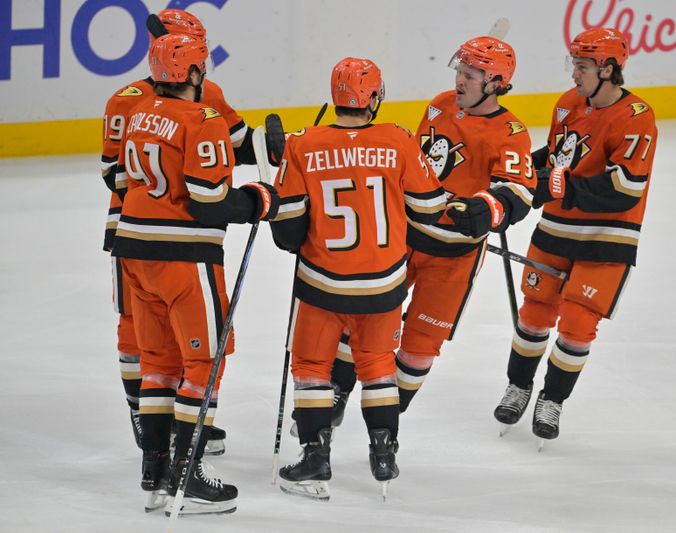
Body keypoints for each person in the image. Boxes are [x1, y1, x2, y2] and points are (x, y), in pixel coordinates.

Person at [112, 33, 279, 515]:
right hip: (183, 257)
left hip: (134, 251)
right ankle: (188, 477)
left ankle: (155, 474)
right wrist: (259, 201)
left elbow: (120, 180)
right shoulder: (202, 119)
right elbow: (209, 203)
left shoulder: (139, 113)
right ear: (192, 74)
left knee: (159, 364)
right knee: (203, 365)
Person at [326, 36, 535, 421]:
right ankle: (337, 393)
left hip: (454, 257)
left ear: (495, 82)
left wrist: (487, 207)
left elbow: (519, 191)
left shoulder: (511, 132)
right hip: (403, 238)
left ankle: (386, 420)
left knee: (421, 345)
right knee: (361, 315)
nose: (460, 80)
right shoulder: (439, 105)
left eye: (471, 74)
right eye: (460, 69)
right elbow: (413, 162)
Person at [270, 57, 447, 500]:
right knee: (378, 366)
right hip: (384, 286)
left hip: (322, 283)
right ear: (374, 97)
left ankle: (315, 458)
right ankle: (383, 451)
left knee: (312, 368)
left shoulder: (304, 144)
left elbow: (286, 231)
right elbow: (429, 209)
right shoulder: (400, 140)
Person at [100, 9, 256, 455]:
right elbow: (119, 177)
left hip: (139, 229)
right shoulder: (129, 99)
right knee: (148, 335)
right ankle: (153, 420)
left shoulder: (189, 99)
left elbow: (238, 144)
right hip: (166, 233)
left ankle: (178, 428)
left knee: (166, 343)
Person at [493, 27, 658, 443]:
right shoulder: (568, 104)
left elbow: (625, 188)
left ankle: (553, 399)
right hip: (556, 229)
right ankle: (519, 386)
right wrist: (516, 174)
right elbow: (557, 157)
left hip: (609, 237)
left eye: (582, 66)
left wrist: (562, 186)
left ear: (608, 69)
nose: (574, 75)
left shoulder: (637, 118)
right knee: (533, 315)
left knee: (577, 326)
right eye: (574, 64)